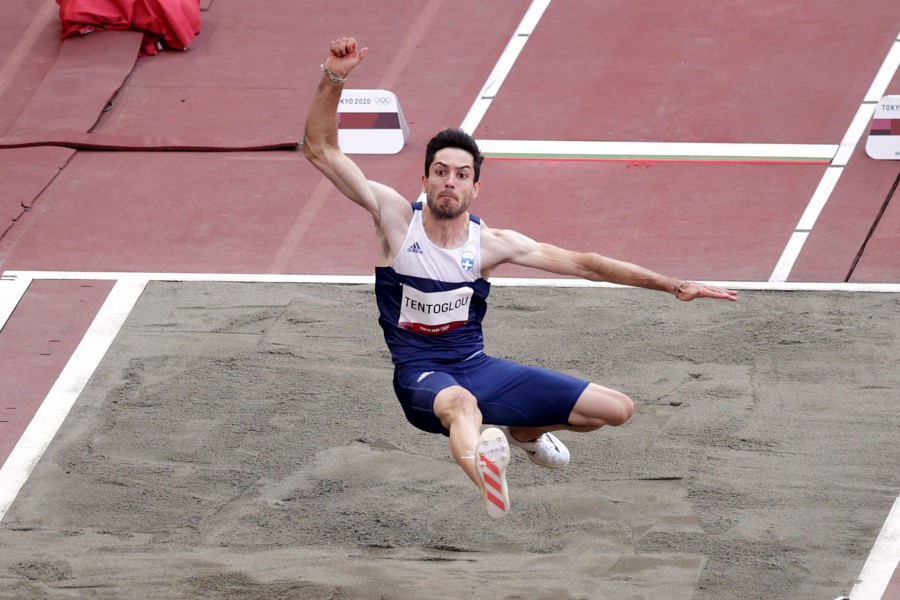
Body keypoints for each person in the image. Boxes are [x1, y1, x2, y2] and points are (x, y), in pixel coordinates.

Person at [303, 37, 738, 519]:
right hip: (422, 377)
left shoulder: (490, 244)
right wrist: (334, 76)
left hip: (478, 365)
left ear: (475, 186)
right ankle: (490, 478)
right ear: (424, 180)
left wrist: (673, 285)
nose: (450, 181)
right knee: (462, 405)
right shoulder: (393, 220)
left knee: (615, 410)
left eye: (461, 175)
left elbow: (586, 264)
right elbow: (320, 149)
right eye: (441, 172)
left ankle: (524, 435)